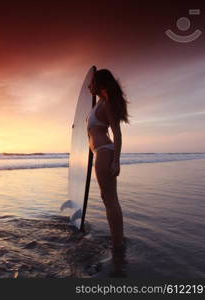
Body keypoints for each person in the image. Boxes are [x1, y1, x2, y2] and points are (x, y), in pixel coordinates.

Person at [87, 69, 129, 253]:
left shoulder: (108, 104)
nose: (89, 86)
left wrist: (116, 161)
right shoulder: (99, 104)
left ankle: (117, 244)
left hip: (105, 153)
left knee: (110, 200)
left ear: (99, 83)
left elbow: (117, 133)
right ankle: (118, 241)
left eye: (92, 82)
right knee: (110, 199)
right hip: (100, 153)